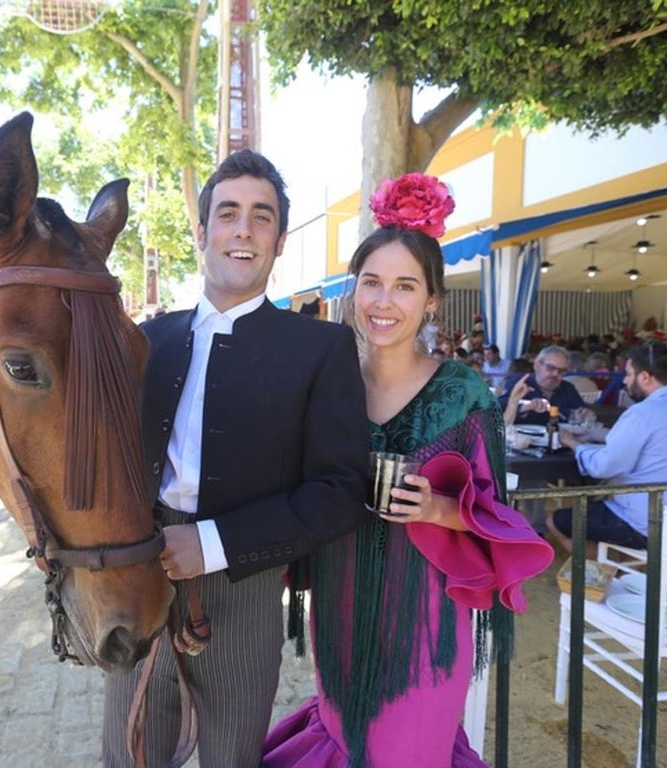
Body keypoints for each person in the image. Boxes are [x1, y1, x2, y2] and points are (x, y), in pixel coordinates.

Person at [261, 172, 554, 768]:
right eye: (371, 282)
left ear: (431, 300)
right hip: (342, 602)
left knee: (407, 750)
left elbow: (495, 515)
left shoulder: (463, 391)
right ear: (353, 290)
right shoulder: (327, 381)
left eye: (404, 285)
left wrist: (436, 507)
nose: (384, 301)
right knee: (352, 741)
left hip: (427, 616)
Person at [101, 150, 369, 768]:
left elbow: (339, 489)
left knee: (231, 760)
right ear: (202, 233)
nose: (243, 230)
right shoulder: (147, 339)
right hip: (143, 572)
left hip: (246, 588)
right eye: (227, 213)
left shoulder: (321, 347)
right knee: (127, 750)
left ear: (278, 241)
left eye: (262, 217)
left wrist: (213, 544)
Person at [549, 344, 667, 557]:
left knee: (557, 520)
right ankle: (626, 576)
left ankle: (608, 580)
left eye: (628, 374)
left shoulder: (643, 413)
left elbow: (602, 467)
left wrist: (573, 443)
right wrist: (594, 435)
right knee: (606, 507)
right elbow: (659, 442)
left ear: (644, 377)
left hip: (655, 525)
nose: (625, 381)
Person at [499, 344, 590, 425]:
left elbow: (582, 412)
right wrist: (525, 406)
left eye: (561, 371)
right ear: (537, 365)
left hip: (559, 440)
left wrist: (586, 415)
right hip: (522, 440)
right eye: (551, 368)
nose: (555, 374)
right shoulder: (520, 383)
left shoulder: (568, 388)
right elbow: (499, 407)